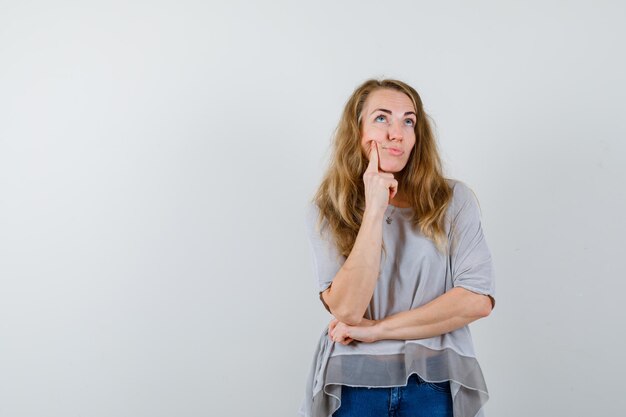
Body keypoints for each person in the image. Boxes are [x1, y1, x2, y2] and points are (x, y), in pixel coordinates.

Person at [299, 79, 496, 417]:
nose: (397, 133)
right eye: (381, 118)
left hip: (433, 379)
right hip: (353, 381)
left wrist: (377, 330)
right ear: (356, 131)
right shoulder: (327, 209)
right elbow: (347, 310)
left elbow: (477, 300)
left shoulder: (452, 201)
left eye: (408, 120)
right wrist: (375, 209)